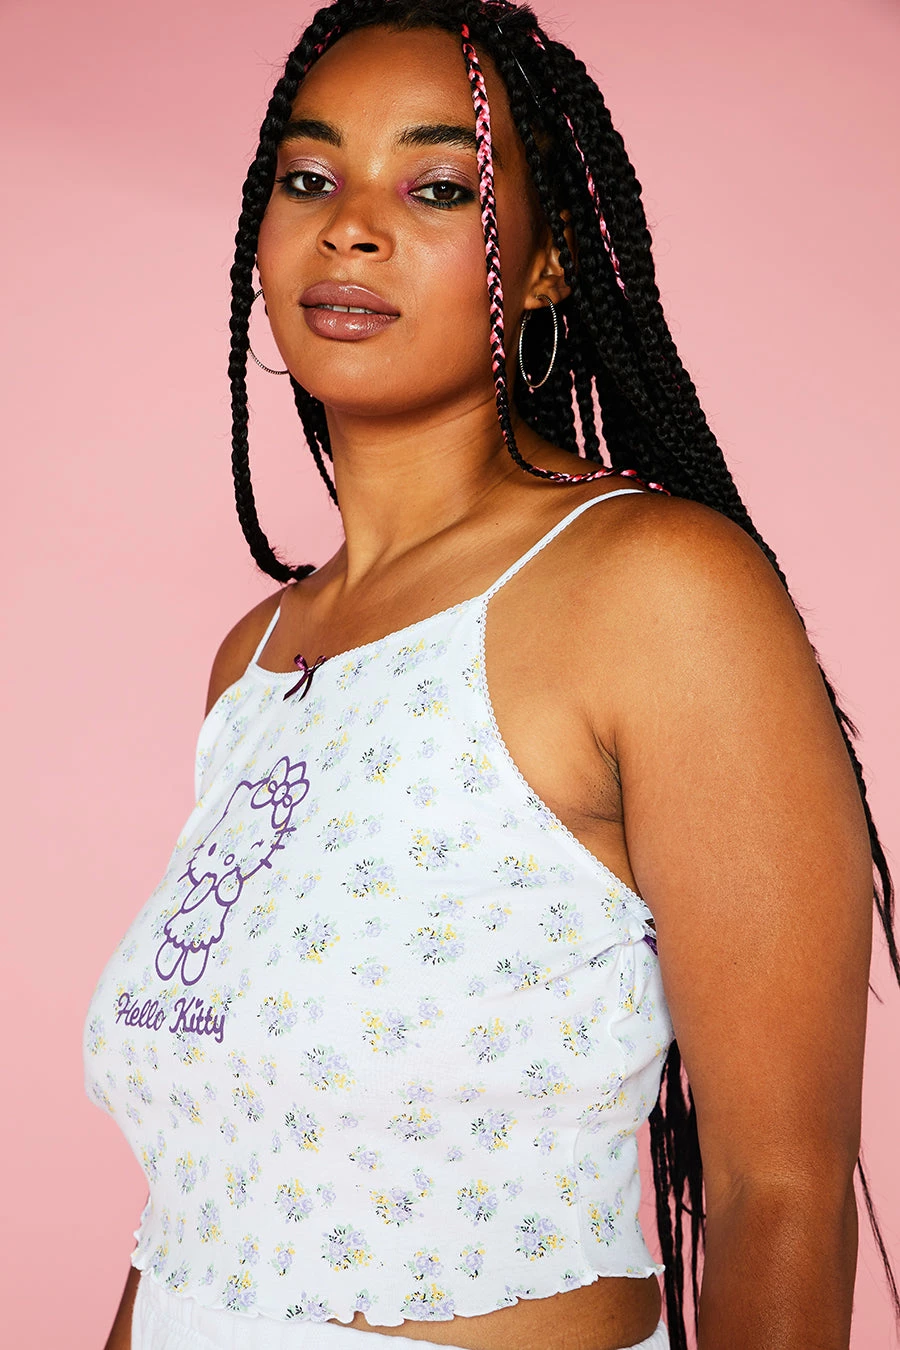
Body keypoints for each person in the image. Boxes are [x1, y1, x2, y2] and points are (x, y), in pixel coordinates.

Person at [83, 2, 900, 1348]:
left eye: (438, 187)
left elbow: (780, 1193)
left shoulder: (657, 592)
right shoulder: (258, 659)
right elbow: (191, 1200)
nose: (352, 227)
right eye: (310, 177)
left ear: (544, 262)